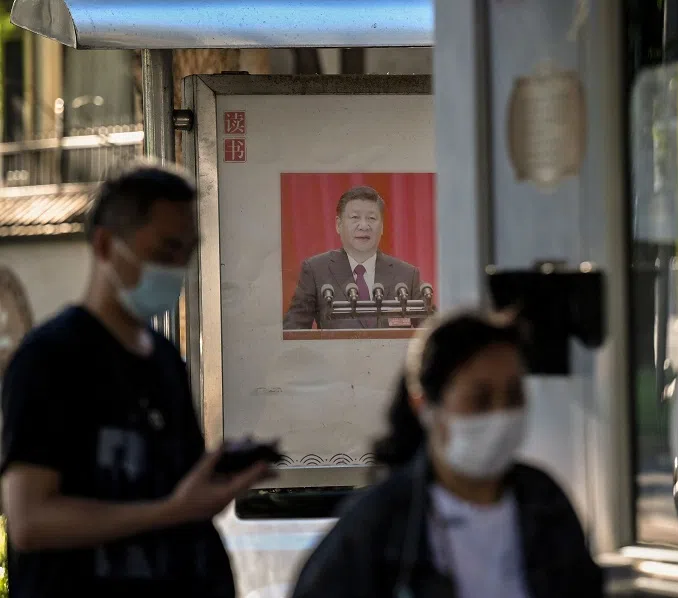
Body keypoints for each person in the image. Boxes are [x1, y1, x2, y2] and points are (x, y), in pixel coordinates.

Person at [0, 163, 270, 598]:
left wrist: (214, 479)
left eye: (187, 252)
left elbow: (179, 495)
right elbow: (30, 521)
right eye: (165, 251)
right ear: (106, 245)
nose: (178, 267)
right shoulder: (49, 358)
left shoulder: (164, 360)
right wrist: (170, 511)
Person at [291, 310, 604, 598]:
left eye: (513, 396)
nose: (501, 414)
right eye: (480, 399)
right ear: (426, 406)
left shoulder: (545, 503)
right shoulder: (381, 523)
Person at [283, 186, 425, 330]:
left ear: (382, 227)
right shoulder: (316, 271)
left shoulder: (407, 275)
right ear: (338, 225)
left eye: (371, 218)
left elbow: (431, 329)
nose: (364, 226)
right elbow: (293, 330)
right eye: (355, 217)